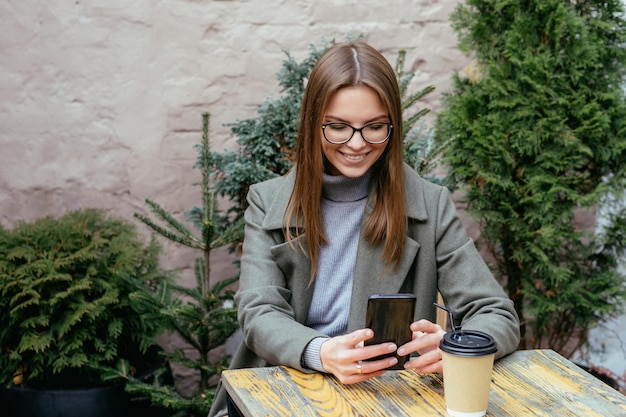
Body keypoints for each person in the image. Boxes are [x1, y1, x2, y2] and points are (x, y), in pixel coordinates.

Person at [208, 39, 520, 417]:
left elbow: (495, 312)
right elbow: (259, 314)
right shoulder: (268, 201)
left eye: (374, 127)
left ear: (393, 126)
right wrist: (321, 352)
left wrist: (456, 345)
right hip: (284, 390)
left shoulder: (428, 204)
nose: (356, 144)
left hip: (388, 400)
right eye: (338, 127)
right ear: (312, 124)